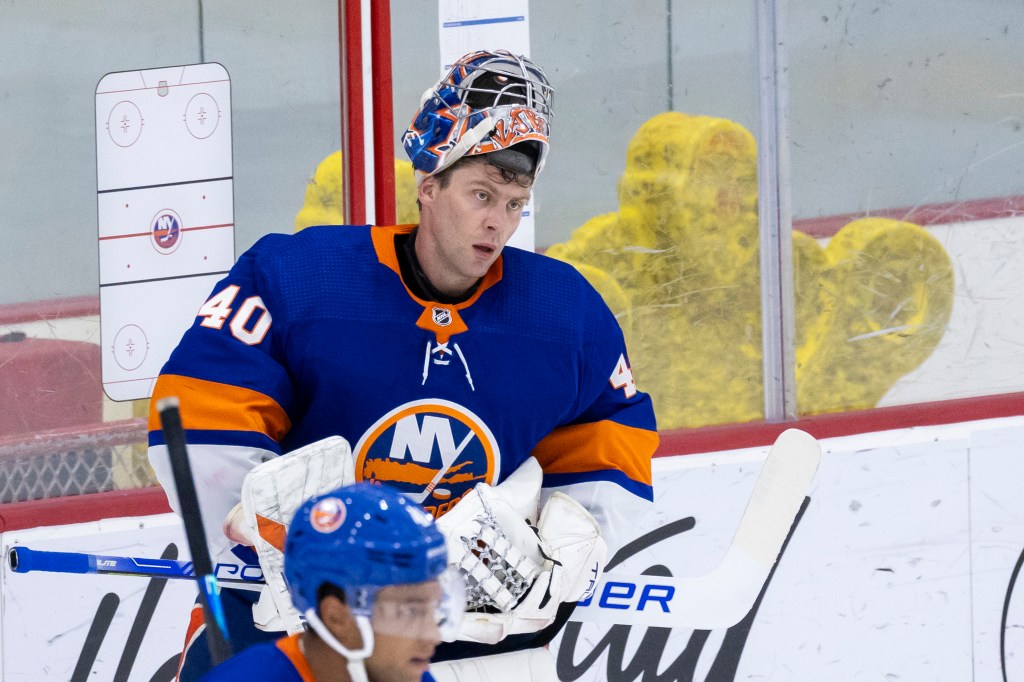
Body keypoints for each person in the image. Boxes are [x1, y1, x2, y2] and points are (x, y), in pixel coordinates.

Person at [148, 49, 657, 681]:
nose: (498, 221)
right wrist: (281, 543)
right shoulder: (301, 279)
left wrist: (576, 531)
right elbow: (202, 420)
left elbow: (612, 437)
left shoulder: (564, 314)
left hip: (474, 637)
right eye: (481, 194)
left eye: (515, 202)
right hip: (292, 628)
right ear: (430, 185)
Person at [199, 482, 461, 682]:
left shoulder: (404, 674)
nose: (433, 635)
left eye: (434, 608)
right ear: (336, 616)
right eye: (409, 612)